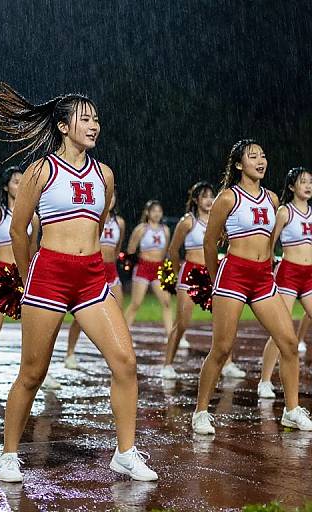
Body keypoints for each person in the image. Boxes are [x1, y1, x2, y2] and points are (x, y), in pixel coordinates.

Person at [0, 82, 158, 482]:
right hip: (49, 276)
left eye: (96, 118)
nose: (94, 124)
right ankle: (9, 453)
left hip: (92, 277)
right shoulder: (41, 169)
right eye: (85, 118)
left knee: (126, 363)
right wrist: (29, 275)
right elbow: (18, 228)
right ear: (63, 126)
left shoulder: (104, 174)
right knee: (32, 372)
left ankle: (125, 452)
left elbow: (96, 227)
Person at [192, 139, 312, 434]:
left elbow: (271, 243)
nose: (261, 160)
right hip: (233, 275)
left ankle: (291, 410)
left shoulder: (272, 199)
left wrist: (269, 268)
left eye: (263, 155)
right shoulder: (228, 198)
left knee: (288, 343)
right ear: (238, 165)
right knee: (221, 348)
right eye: (253, 156)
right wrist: (213, 277)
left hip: (262, 279)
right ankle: (201, 412)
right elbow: (210, 241)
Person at [161, 182, 245, 379]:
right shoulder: (188, 221)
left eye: (211, 195)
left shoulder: (220, 221)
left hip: (212, 272)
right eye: (204, 196)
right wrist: (176, 272)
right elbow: (173, 250)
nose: (209, 200)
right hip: (190, 273)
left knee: (224, 323)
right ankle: (167, 365)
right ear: (196, 200)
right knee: (182, 323)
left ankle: (228, 364)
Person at [0, 166, 42, 392]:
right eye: (15, 181)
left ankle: (39, 374)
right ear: (6, 186)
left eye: (23, 181)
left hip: (23, 275)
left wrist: (30, 275)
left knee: (34, 328)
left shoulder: (33, 217)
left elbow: (32, 249)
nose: (20, 185)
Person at [258, 167, 312, 397]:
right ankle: (265, 380)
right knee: (280, 328)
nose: (308, 186)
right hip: (289, 273)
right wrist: (267, 266)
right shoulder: (284, 212)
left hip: (309, 275)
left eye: (310, 181)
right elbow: (270, 242)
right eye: (302, 182)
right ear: (292, 187)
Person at [64, 188, 125, 370]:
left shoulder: (119, 222)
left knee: (118, 315)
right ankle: (70, 353)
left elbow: (117, 248)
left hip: (111, 271)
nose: (111, 199)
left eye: (114, 195)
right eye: (108, 195)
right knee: (81, 317)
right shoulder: (92, 218)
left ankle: (113, 355)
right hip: (93, 270)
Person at [124, 200, 172, 335]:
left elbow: (166, 250)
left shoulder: (166, 230)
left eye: (159, 211)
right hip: (143, 267)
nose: (157, 214)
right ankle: (123, 334)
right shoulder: (141, 229)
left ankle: (170, 335)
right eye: (154, 211)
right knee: (136, 303)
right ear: (148, 212)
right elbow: (131, 249)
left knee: (166, 302)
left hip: (159, 268)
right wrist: (134, 264)